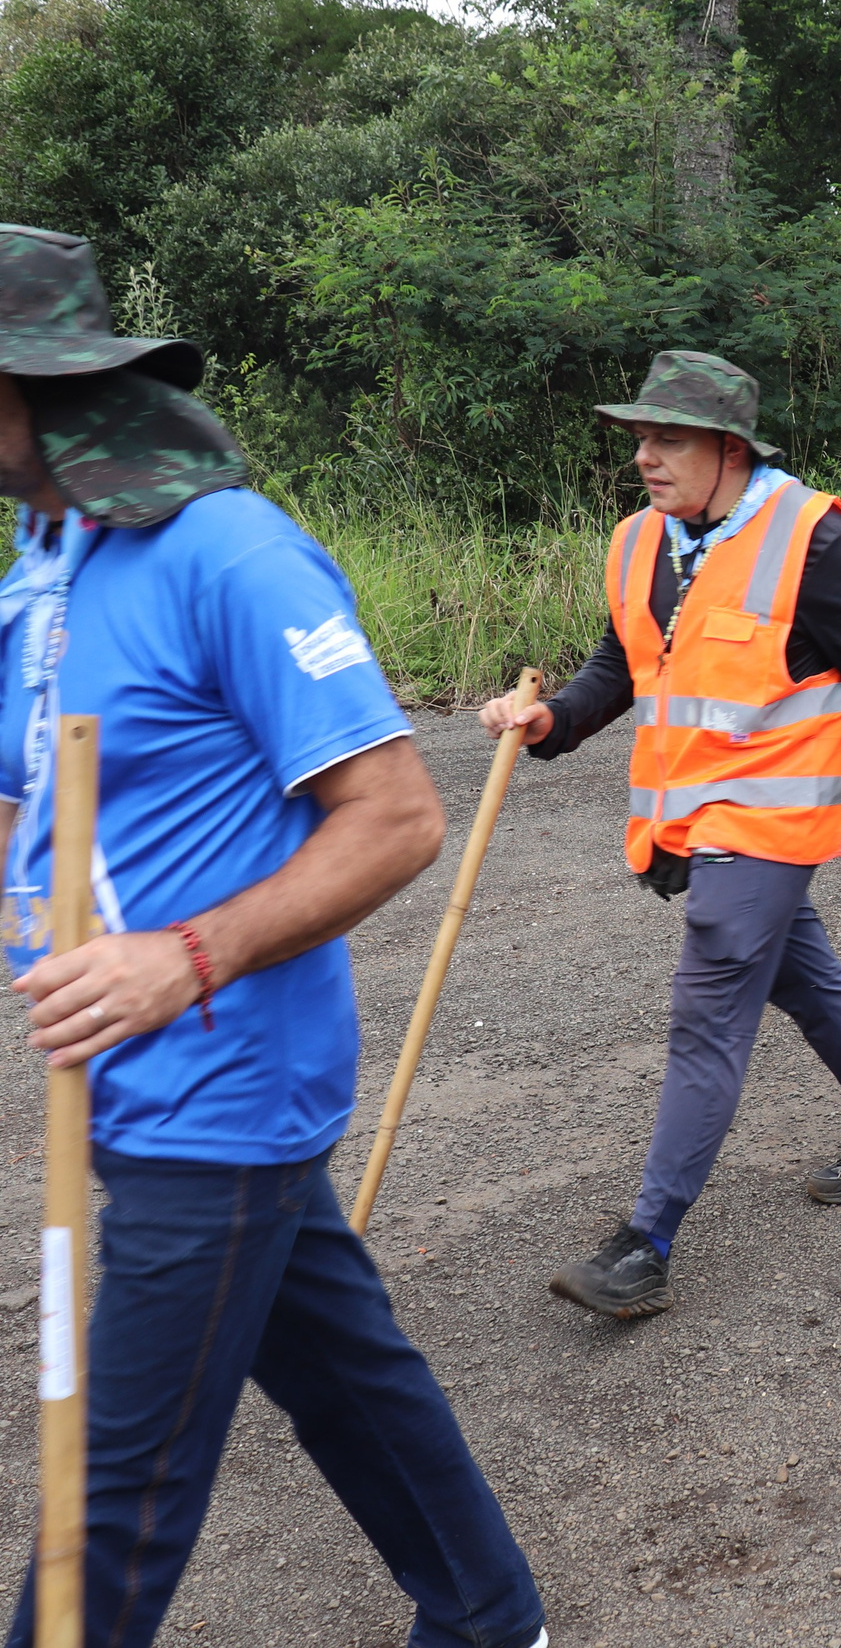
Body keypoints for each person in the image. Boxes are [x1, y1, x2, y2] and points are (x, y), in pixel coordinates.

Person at [0, 226, 546, 1647]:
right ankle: (492, 1614)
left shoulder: (229, 549)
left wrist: (179, 957)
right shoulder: (45, 550)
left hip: (219, 1077)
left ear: (33, 386)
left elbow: (395, 815)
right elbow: (31, 798)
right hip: (120, 1077)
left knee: (105, 1483)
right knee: (345, 1371)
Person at [481, 350, 841, 1321]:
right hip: (689, 820)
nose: (645, 456)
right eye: (639, 437)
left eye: (668, 438)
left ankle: (643, 1245)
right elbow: (624, 663)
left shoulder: (814, 540)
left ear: (729, 448)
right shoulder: (640, 542)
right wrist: (551, 721)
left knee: (710, 1003)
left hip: (769, 822)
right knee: (796, 972)